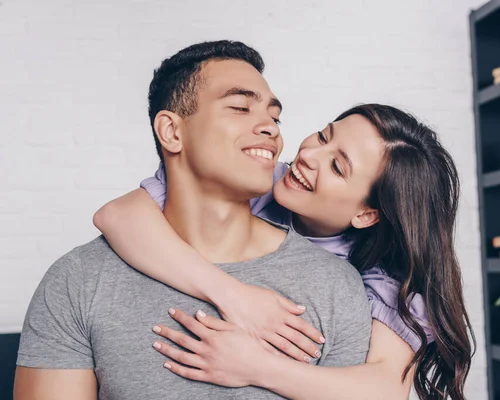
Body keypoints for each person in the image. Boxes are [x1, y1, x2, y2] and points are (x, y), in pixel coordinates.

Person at [14, 40, 374, 400]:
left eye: (274, 117)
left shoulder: (336, 286)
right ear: (172, 132)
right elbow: (115, 214)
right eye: (239, 108)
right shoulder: (78, 280)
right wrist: (230, 294)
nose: (270, 128)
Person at [94, 77, 475, 399]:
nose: (309, 155)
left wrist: (256, 367)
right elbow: (117, 215)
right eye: (324, 135)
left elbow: (382, 390)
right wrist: (233, 296)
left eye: (337, 166)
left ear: (367, 214)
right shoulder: (258, 179)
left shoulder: (382, 280)